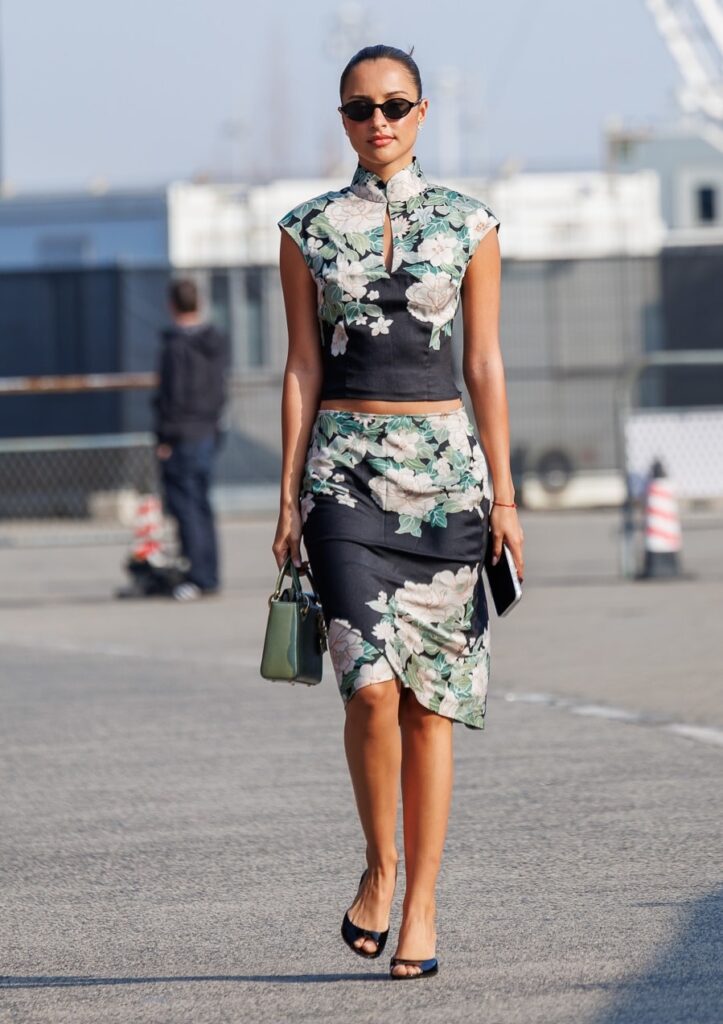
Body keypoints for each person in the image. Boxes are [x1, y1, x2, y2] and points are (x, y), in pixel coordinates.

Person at [273, 44, 524, 980]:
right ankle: (379, 866)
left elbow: (485, 365)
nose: (376, 121)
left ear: (421, 114)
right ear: (340, 118)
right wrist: (289, 492)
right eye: (357, 108)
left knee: (432, 708)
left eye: (393, 105)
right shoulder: (305, 229)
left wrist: (503, 495)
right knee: (368, 688)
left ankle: (421, 903)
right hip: (342, 475)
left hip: (448, 483)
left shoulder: (470, 223)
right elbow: (301, 365)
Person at [153, 278, 229, 601]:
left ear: (172, 305)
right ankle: (207, 573)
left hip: (183, 433)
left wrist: (165, 435)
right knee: (202, 503)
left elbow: (173, 395)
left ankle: (198, 576)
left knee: (186, 506)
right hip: (208, 430)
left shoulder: (176, 347)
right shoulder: (214, 341)